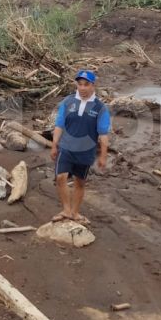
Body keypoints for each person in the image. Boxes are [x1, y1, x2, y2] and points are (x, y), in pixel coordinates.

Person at [50, 70, 110, 224]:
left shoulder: (100, 107)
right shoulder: (68, 102)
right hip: (66, 148)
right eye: (80, 84)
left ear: (93, 85)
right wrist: (54, 145)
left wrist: (103, 156)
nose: (82, 88)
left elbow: (103, 134)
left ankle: (75, 213)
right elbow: (59, 125)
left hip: (86, 152)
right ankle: (66, 210)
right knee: (60, 177)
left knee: (79, 182)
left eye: (86, 84)